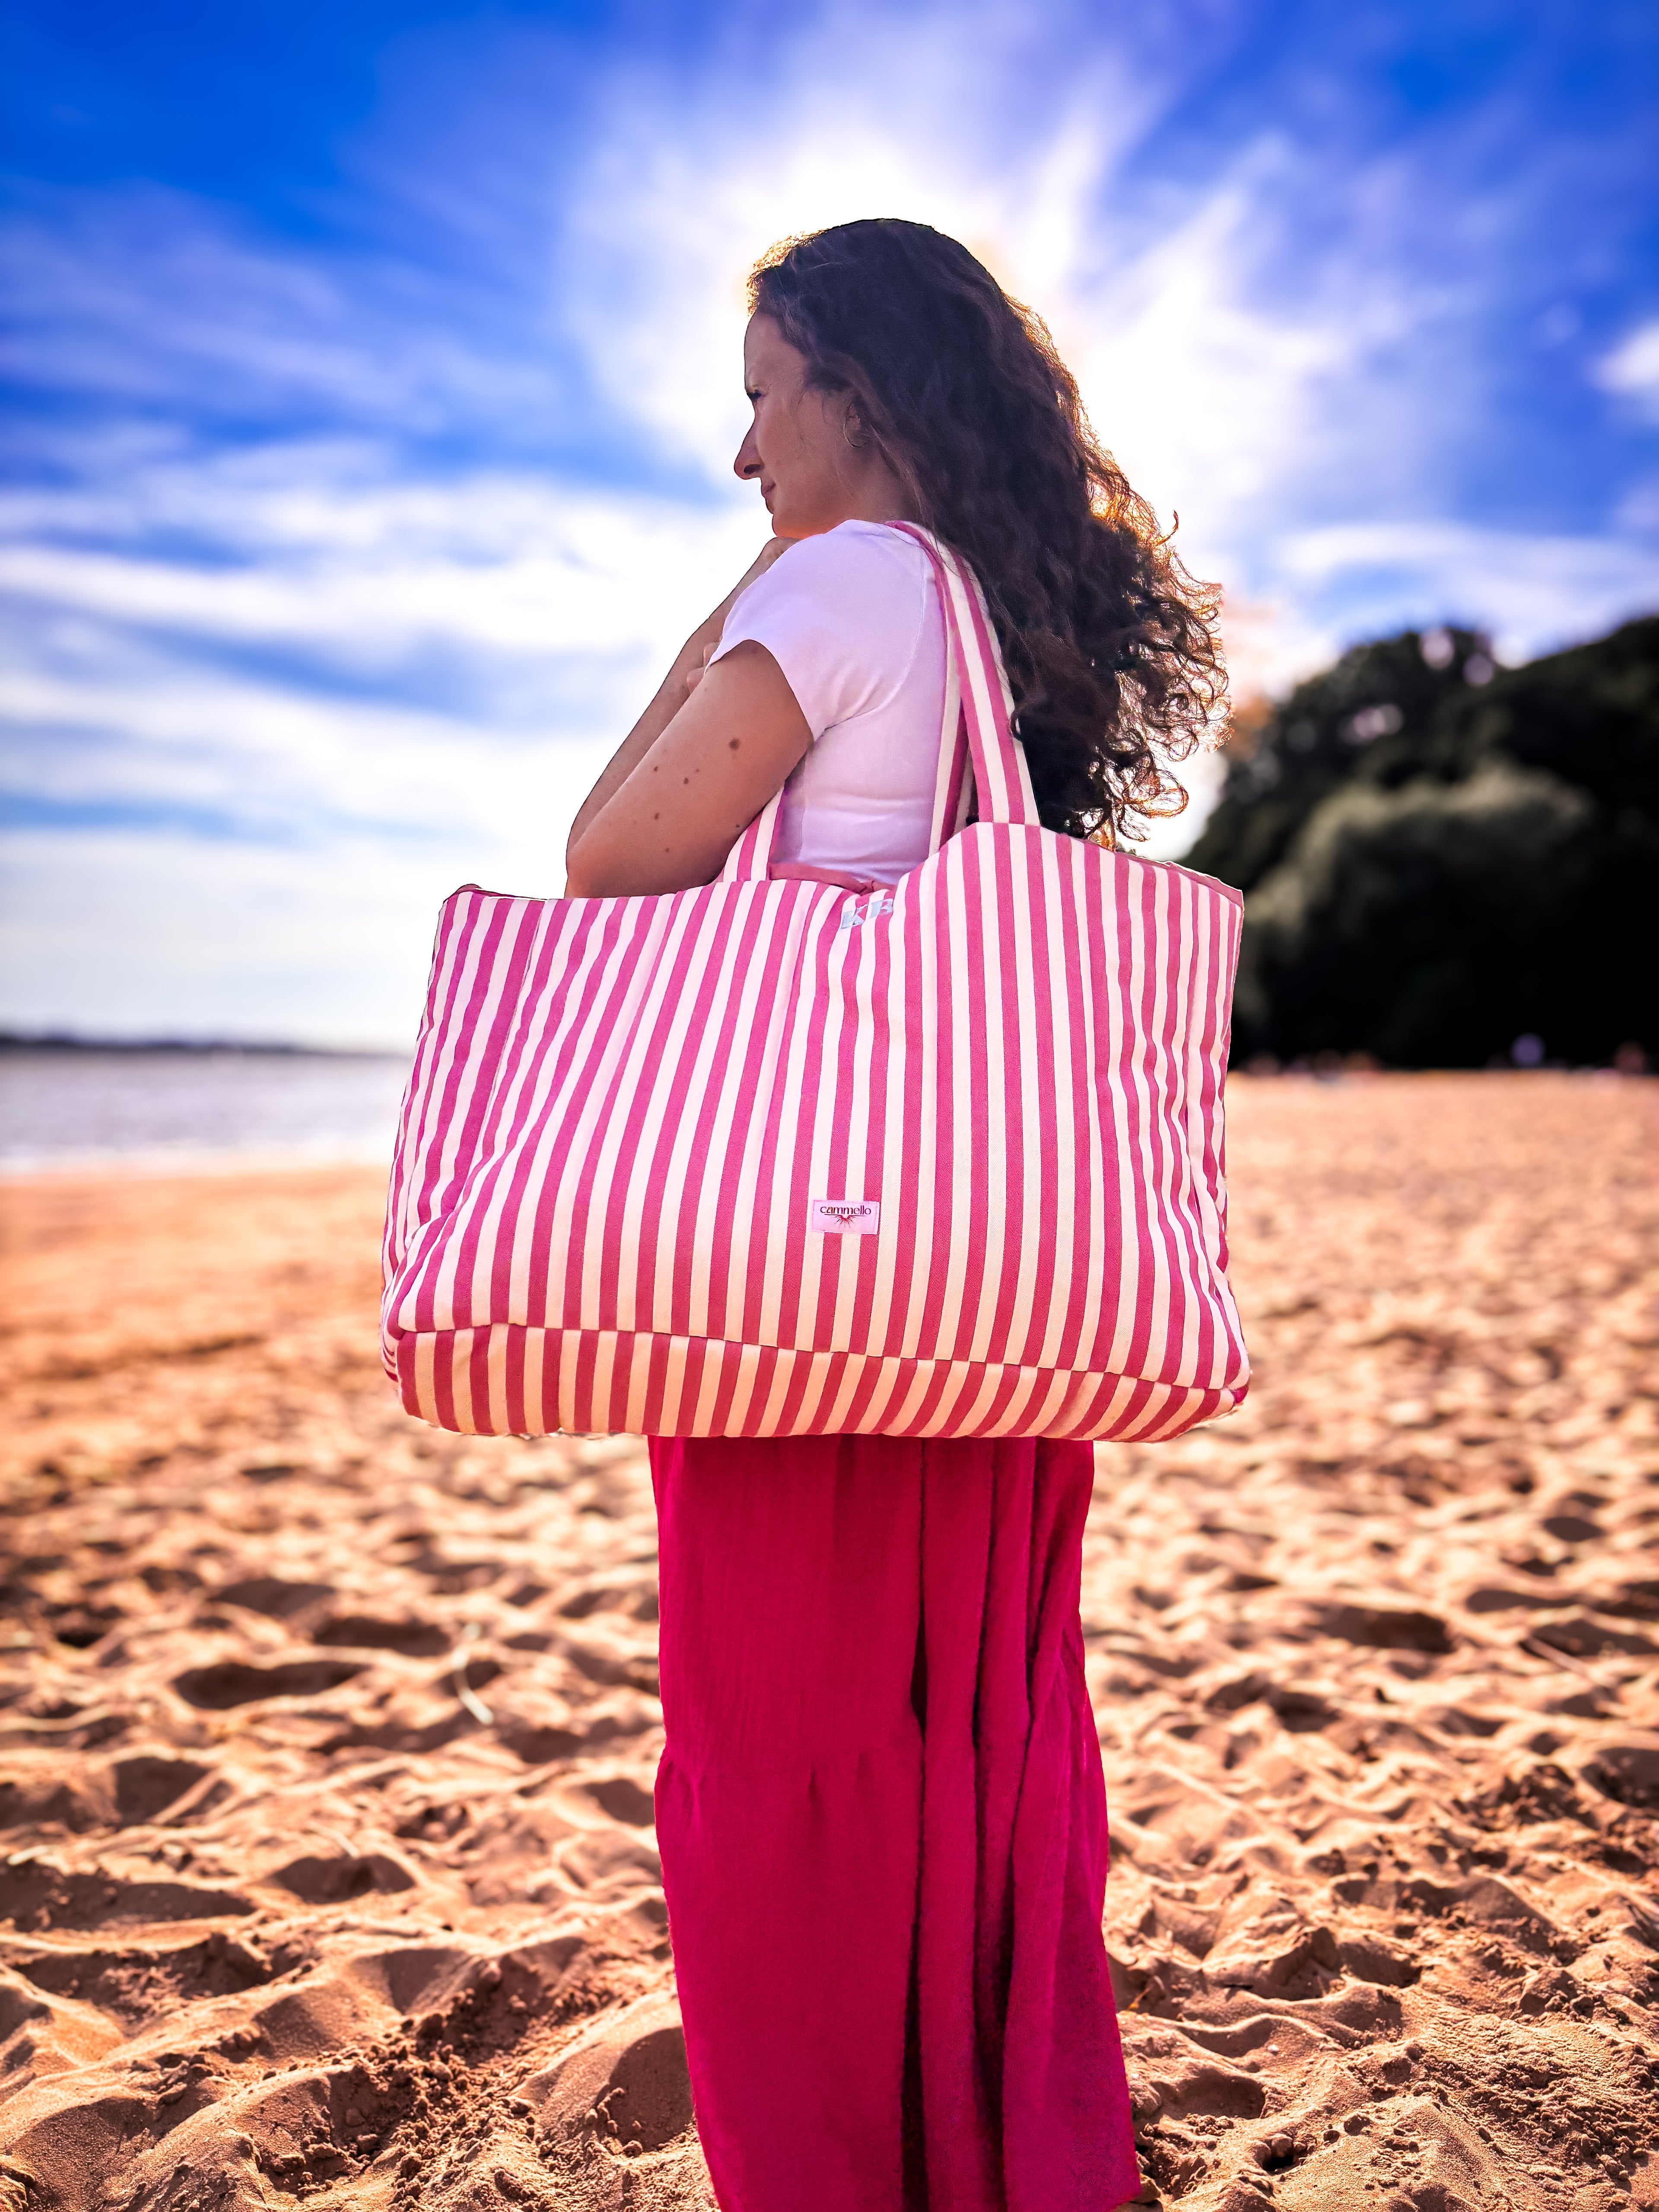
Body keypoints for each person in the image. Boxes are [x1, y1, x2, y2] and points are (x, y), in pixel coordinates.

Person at [565, 219, 1224, 2212]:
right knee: (964, 1758)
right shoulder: (991, 619)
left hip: (811, 1302)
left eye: (764, 397)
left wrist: (739, 602)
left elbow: (611, 854)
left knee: (795, 1775)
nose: (744, 454)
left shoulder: (848, 580)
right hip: (979, 1287)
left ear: (860, 388)